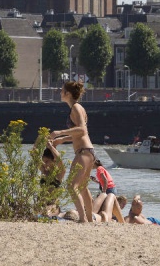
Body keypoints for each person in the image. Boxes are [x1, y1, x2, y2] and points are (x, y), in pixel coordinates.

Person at [48, 81, 95, 223]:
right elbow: (80, 134)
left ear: (67, 93)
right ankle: (89, 220)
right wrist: (63, 139)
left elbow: (83, 130)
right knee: (82, 187)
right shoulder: (77, 108)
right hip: (88, 151)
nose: (60, 93)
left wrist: (58, 133)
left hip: (84, 152)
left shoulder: (76, 107)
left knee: (71, 185)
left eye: (62, 90)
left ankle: (83, 219)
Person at [39, 141, 66, 218]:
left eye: (47, 161)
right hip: (41, 203)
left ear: (54, 160)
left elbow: (59, 159)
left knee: (46, 214)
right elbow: (34, 154)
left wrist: (51, 147)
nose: (45, 164)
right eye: (44, 162)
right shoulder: (44, 171)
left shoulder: (60, 173)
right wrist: (40, 138)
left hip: (53, 205)